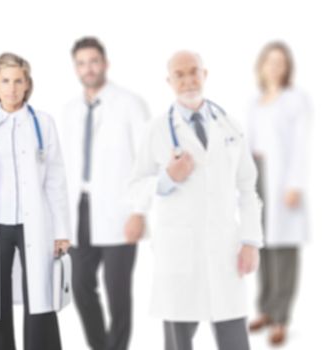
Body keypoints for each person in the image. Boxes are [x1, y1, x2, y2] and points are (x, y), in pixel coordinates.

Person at [129, 50, 262, 350]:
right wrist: (167, 179)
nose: (188, 80)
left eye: (194, 71)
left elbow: (248, 188)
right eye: (180, 74)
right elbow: (135, 187)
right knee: (178, 342)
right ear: (169, 81)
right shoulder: (157, 129)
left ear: (205, 74)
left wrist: (251, 241)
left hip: (225, 250)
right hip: (179, 254)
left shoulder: (229, 125)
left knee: (235, 341)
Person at [0, 52, 71, 350]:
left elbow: (56, 180)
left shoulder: (43, 123)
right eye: (5, 80)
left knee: (40, 296)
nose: (11, 87)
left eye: (18, 80)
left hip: (34, 221)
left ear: (27, 84)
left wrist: (62, 231)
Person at [60, 36, 150, 350]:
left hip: (120, 212)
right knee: (81, 286)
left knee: (118, 291)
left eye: (94, 61)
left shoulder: (130, 104)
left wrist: (140, 212)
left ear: (105, 64)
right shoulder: (70, 110)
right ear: (76, 68)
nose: (89, 68)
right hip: (79, 211)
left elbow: (147, 162)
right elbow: (64, 168)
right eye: (82, 63)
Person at [245, 41, 312, 346]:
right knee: (263, 247)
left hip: (282, 179)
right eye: (270, 61)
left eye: (280, 63)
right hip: (259, 176)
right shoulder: (257, 101)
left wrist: (294, 184)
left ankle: (281, 317)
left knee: (284, 252)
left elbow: (300, 146)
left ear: (287, 68)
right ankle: (266, 310)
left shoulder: (295, 100)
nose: (274, 67)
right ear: (261, 65)